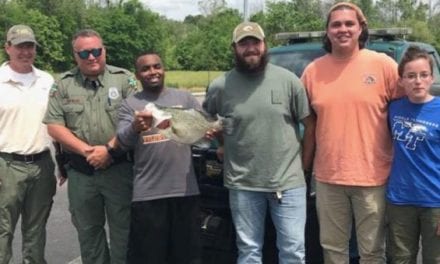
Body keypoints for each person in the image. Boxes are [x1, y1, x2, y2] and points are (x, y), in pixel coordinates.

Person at [203, 21, 314, 264]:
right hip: (243, 184)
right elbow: (207, 120)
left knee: (293, 253)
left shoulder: (288, 81)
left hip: (289, 185)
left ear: (265, 45)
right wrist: (221, 142)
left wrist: (303, 169)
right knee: (249, 252)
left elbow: (310, 124)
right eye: (244, 44)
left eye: (256, 42)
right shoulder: (220, 86)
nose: (251, 48)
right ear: (234, 48)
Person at [301, 2, 403, 264]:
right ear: (327, 31)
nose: (342, 29)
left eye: (349, 24)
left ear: (361, 28)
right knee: (333, 250)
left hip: (374, 178)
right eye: (336, 24)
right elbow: (307, 126)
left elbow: (405, 118)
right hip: (328, 178)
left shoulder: (384, 66)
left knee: (372, 252)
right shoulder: (312, 72)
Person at [43, 29, 138, 264]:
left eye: (96, 51)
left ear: (104, 50)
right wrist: (88, 151)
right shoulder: (63, 85)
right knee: (88, 234)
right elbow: (54, 126)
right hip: (82, 172)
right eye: (84, 53)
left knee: (124, 232)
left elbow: (138, 121)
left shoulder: (124, 80)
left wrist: (109, 150)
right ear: (75, 55)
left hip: (119, 169)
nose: (91, 57)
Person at [117, 52, 201, 264]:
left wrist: (214, 135)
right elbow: (122, 142)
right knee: (149, 257)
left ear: (164, 69)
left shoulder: (185, 99)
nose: (152, 72)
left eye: (157, 66)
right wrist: (135, 127)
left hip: (185, 191)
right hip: (148, 195)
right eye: (145, 69)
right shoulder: (130, 104)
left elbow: (203, 130)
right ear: (137, 75)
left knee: (186, 257)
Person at [0, 24, 56, 264]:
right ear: (7, 48)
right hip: (7, 164)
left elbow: (57, 123)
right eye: (20, 46)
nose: (26, 51)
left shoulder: (47, 80)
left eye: (30, 46)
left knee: (36, 230)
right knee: (3, 229)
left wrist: (62, 163)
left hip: (42, 164)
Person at [386, 46, 440, 264]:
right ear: (401, 81)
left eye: (423, 75)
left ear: (432, 78)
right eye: (411, 76)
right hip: (400, 200)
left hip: (435, 201)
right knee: (400, 259)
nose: (417, 81)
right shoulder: (393, 109)